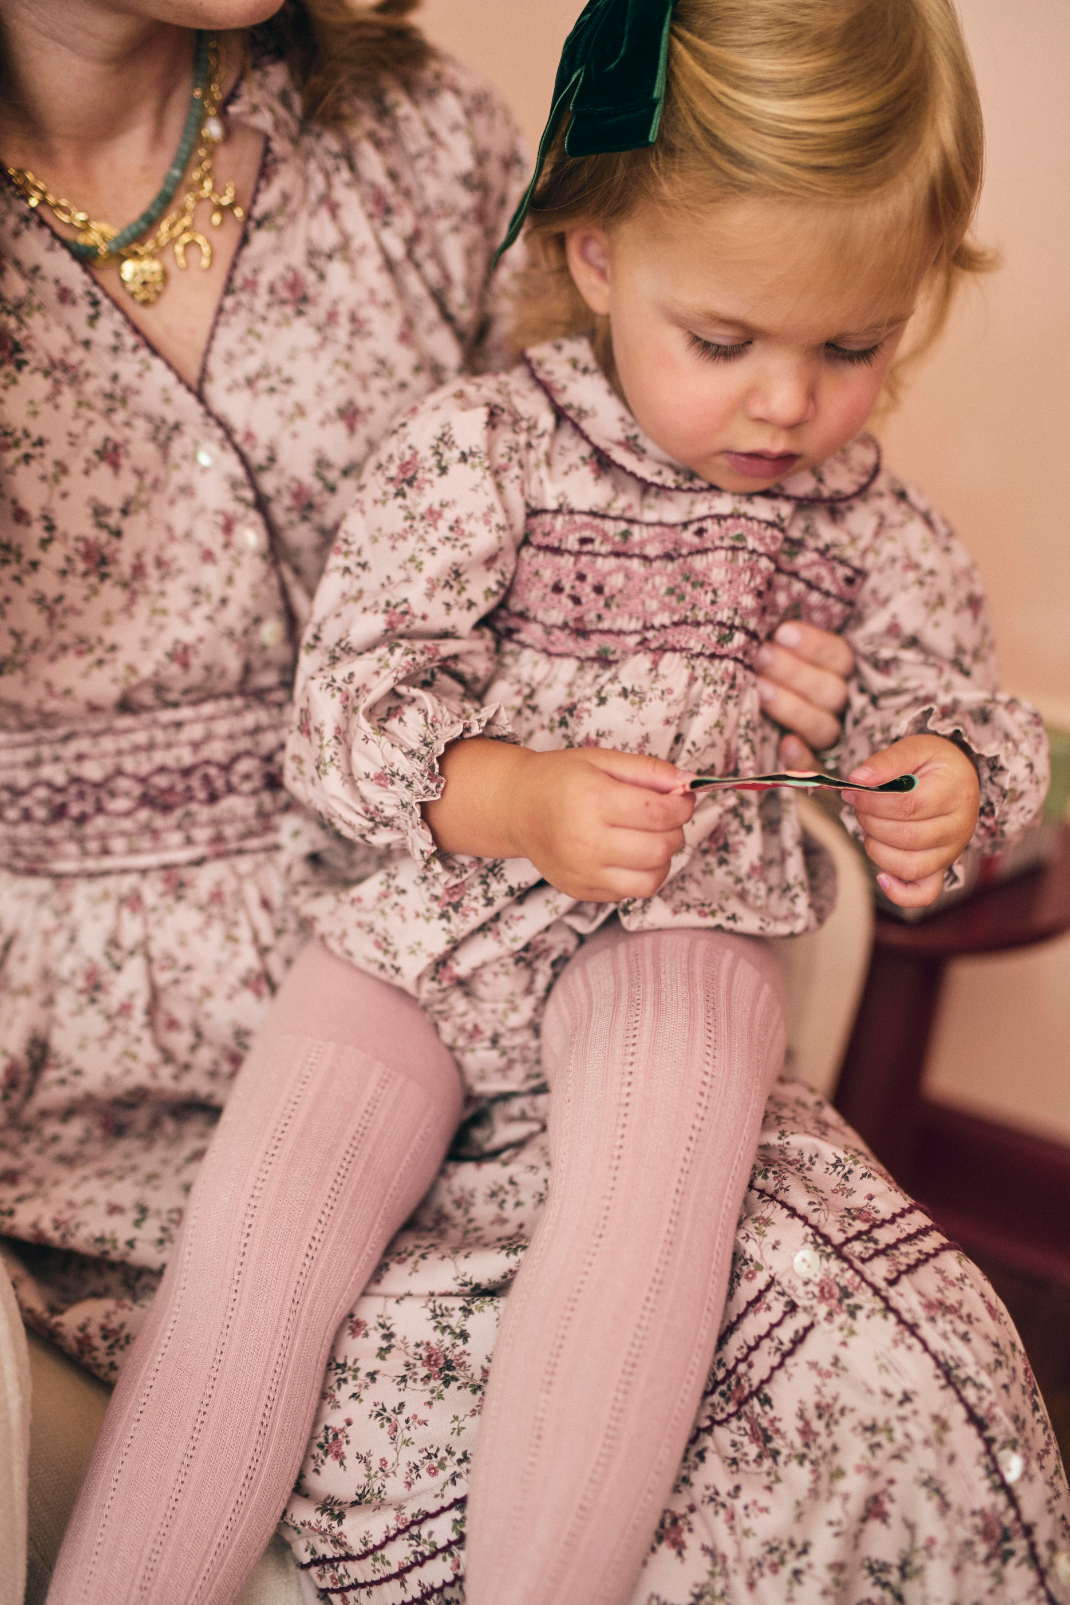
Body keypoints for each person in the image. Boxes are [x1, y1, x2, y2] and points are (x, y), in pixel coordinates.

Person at [43, 2, 1070, 1604]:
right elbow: (346, 713)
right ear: (595, 260)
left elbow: (961, 715)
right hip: (420, 925)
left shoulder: (872, 528)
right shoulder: (480, 453)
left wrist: (939, 784)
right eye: (722, 342)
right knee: (252, 1257)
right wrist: (509, 797)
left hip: (682, 927)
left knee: (648, 1218)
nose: (784, 408)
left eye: (851, 348)